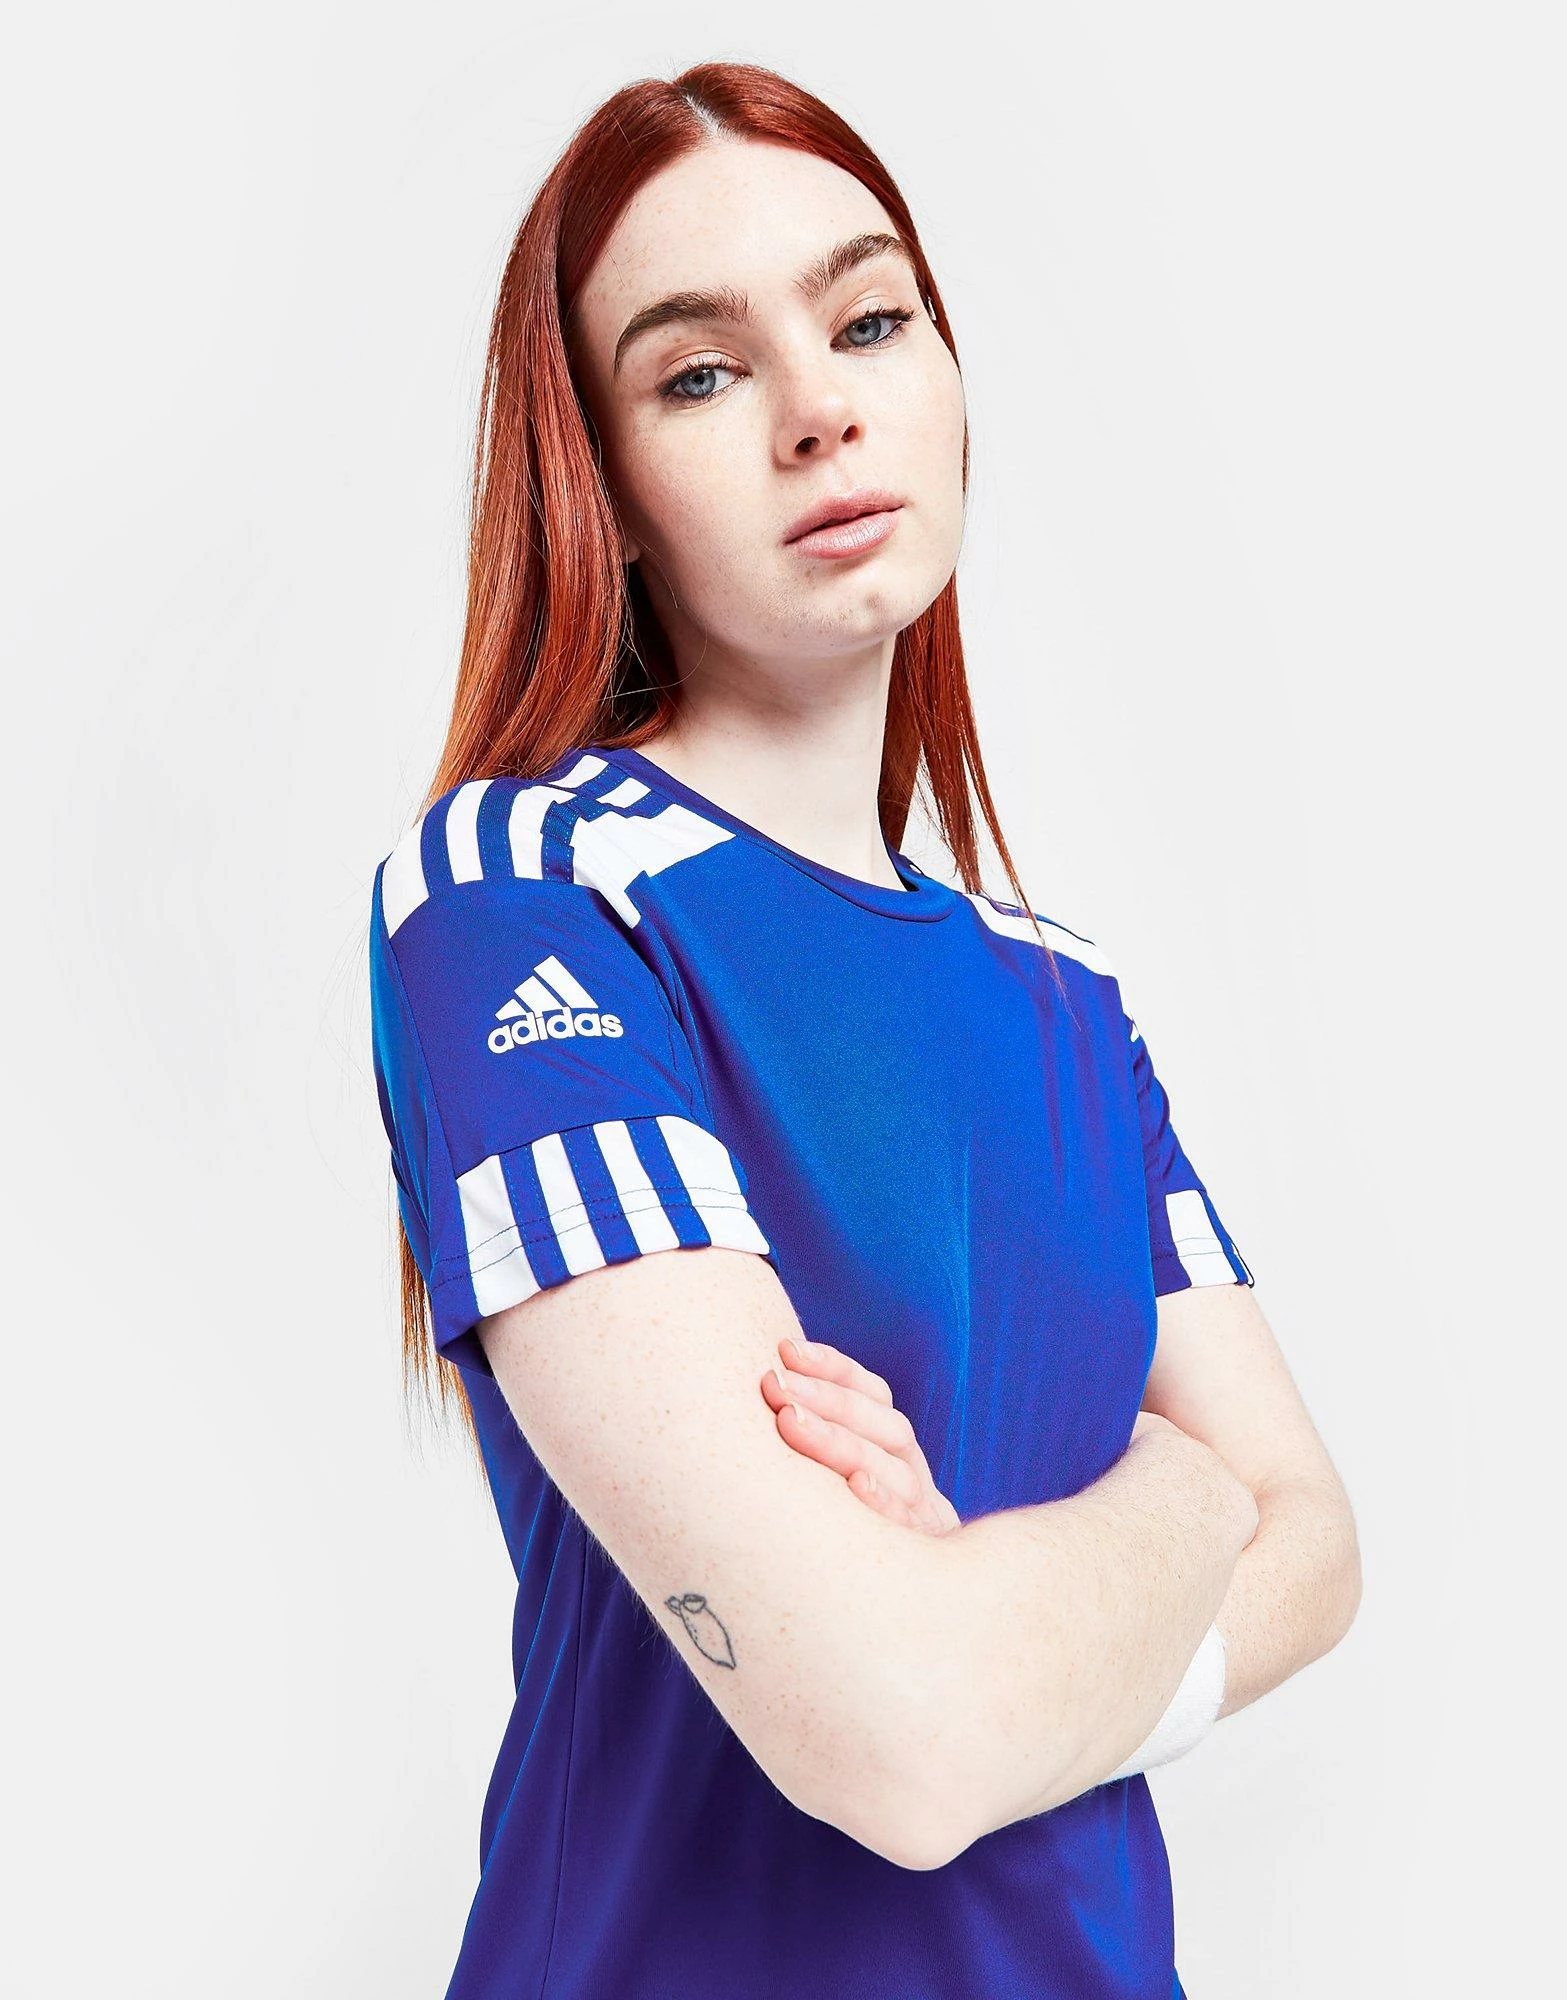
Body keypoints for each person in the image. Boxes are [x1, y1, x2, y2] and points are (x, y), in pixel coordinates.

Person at [367, 60, 1361, 2000]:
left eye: (870, 319)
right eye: (698, 372)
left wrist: (978, 1616)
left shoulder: (1064, 993)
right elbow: (894, 1743)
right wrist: (1176, 1498)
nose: (818, 406)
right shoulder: (523, 893)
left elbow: (1316, 1545)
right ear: (603, 488)